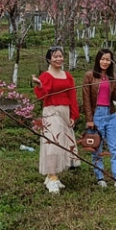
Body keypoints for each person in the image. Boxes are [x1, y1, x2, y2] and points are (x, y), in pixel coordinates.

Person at [32, 46, 79, 194]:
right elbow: (42, 95)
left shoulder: (68, 76)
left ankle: (52, 175)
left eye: (60, 56)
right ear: (49, 59)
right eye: (55, 57)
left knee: (63, 143)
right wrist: (39, 85)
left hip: (65, 111)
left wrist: (73, 115)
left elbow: (72, 96)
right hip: (51, 111)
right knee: (52, 143)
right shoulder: (46, 76)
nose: (59, 59)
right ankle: (52, 176)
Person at [82, 48, 116, 193]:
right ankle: (100, 177)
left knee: (115, 148)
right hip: (96, 115)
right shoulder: (89, 76)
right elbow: (86, 99)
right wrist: (89, 119)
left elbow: (115, 98)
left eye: (108, 59)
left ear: (111, 61)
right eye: (102, 59)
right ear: (98, 60)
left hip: (110, 115)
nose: (105, 62)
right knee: (97, 148)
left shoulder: (113, 76)